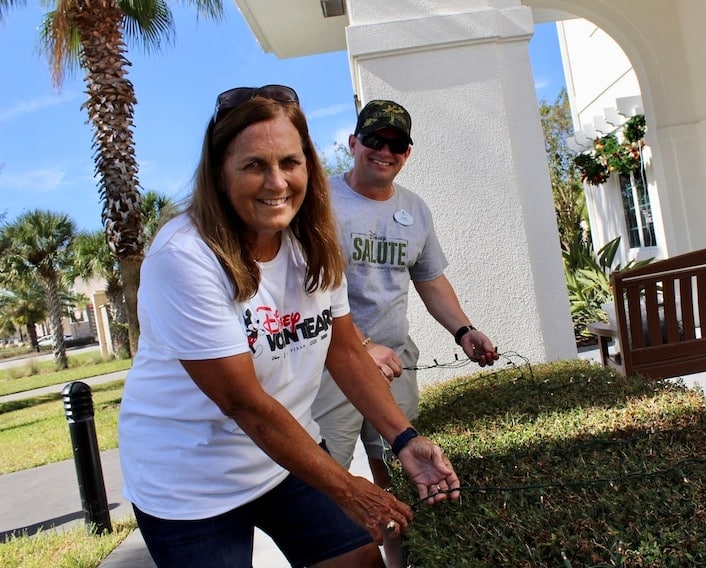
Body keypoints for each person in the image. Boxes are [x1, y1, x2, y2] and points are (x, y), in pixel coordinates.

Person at [117, 85, 460, 568]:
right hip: (190, 483)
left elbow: (343, 350)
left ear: (309, 166)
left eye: (290, 163)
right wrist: (350, 490)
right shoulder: (186, 256)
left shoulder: (312, 242)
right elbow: (245, 403)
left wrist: (404, 439)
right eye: (254, 165)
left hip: (284, 456)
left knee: (362, 562)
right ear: (219, 172)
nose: (276, 183)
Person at [312, 99, 500, 566]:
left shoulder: (414, 209)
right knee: (326, 481)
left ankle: (397, 562)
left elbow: (430, 278)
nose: (385, 150)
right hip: (327, 363)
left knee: (397, 470)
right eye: (374, 140)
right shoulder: (320, 203)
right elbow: (304, 286)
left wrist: (464, 330)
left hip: (395, 363)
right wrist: (361, 343)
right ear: (353, 143)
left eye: (396, 144)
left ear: (407, 153)